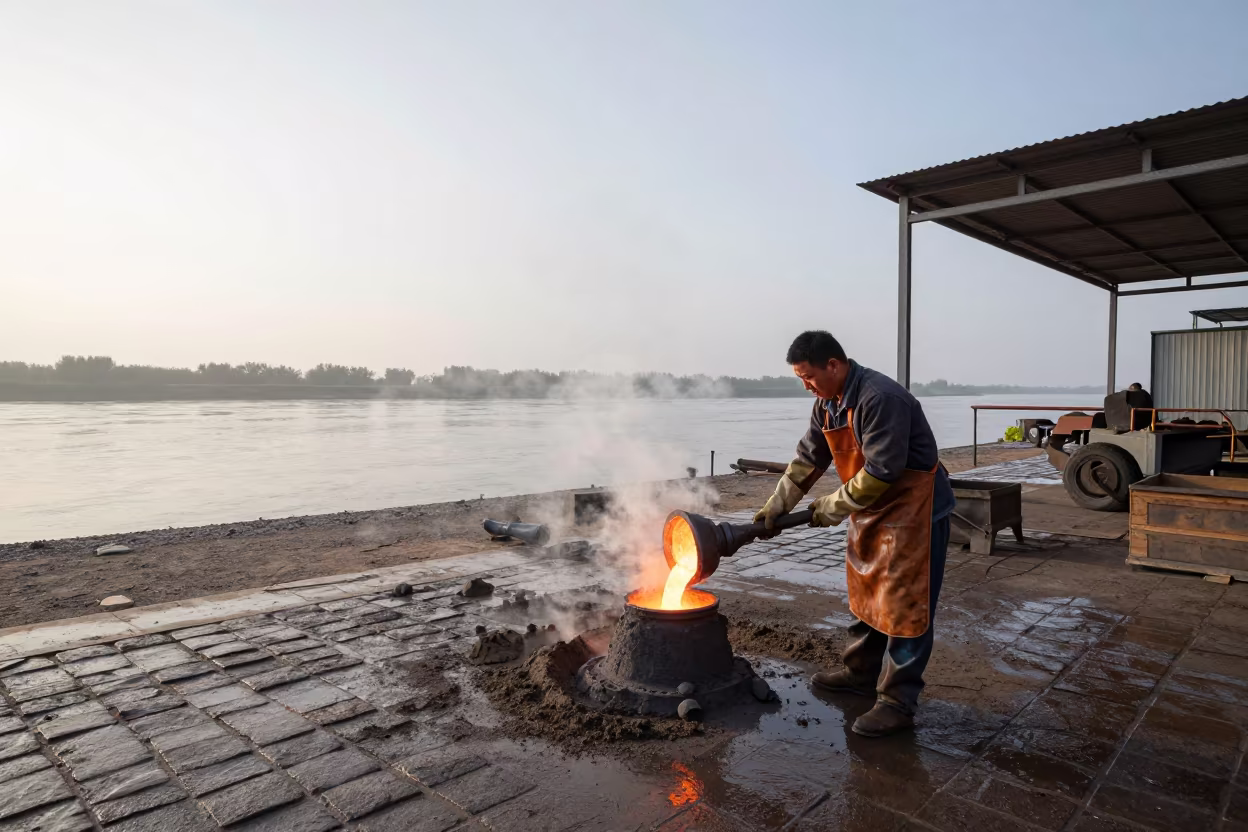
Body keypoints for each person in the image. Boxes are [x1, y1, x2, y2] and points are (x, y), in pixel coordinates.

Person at [754, 330, 954, 737]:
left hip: (916, 511)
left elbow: (883, 470)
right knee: (867, 594)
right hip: (871, 510)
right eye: (799, 379)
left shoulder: (880, 398)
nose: (806, 386)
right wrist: (776, 507)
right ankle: (860, 674)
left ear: (834, 364)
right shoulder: (826, 406)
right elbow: (808, 460)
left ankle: (897, 702)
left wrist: (831, 506)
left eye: (808, 376)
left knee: (905, 608)